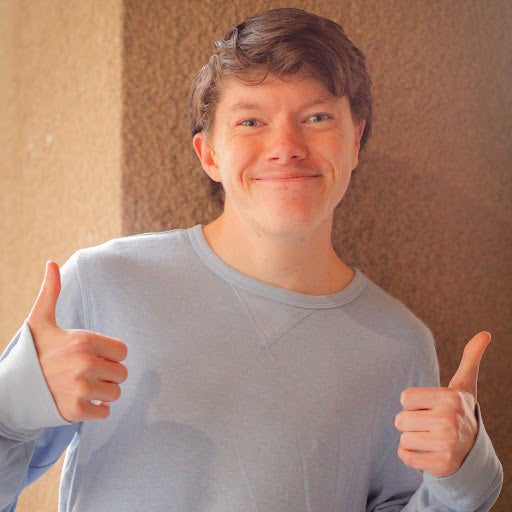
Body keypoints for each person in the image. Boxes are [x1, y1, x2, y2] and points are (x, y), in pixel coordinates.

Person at [0, 7, 503, 512]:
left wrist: (464, 480)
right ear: (209, 155)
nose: (285, 147)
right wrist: (9, 410)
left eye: (317, 117)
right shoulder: (103, 284)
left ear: (355, 142)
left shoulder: (399, 345)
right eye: (250, 121)